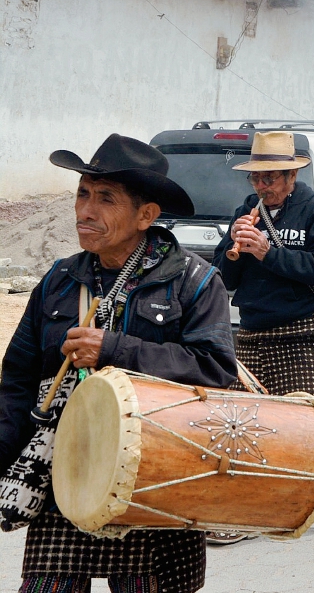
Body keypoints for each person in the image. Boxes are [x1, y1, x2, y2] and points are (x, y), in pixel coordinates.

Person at [2, 134, 237, 591]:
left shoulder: (193, 281)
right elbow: (17, 382)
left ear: (146, 215)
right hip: (66, 471)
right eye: (82, 194)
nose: (85, 211)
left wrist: (114, 349)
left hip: (152, 477)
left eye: (105, 198)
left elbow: (214, 370)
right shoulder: (59, 280)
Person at [215, 131, 314, 536]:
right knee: (245, 423)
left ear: (291, 177)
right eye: (257, 179)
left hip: (303, 329)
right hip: (255, 330)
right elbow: (226, 276)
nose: (263, 187)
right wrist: (235, 246)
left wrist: (267, 252)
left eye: (272, 178)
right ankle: (250, 509)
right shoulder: (247, 210)